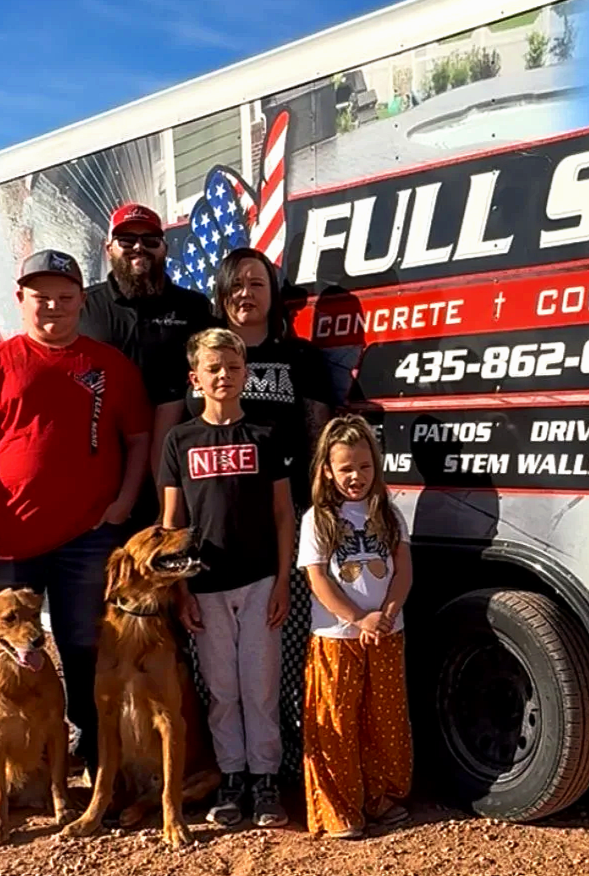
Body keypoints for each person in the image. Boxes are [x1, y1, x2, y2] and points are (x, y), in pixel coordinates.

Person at [0, 250, 151, 816]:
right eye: (41, 297)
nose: (53, 307)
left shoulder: (108, 366)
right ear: (20, 299)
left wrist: (122, 503)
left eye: (65, 297)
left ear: (81, 301)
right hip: (8, 539)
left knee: (85, 649)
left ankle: (97, 759)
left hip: (88, 537)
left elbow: (139, 438)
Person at [185, 246, 335, 784]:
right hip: (218, 527)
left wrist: (318, 507)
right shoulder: (203, 359)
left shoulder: (300, 358)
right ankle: (229, 767)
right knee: (221, 666)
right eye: (236, 284)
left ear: (273, 293)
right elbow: (181, 438)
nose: (246, 293)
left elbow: (319, 432)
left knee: (280, 647)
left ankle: (283, 763)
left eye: (257, 283)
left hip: (283, 515)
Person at [159, 327, 294, 829]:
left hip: (260, 581)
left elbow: (284, 514)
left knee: (260, 686)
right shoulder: (180, 439)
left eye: (233, 368)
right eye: (213, 368)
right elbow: (171, 523)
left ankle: (266, 779)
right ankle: (231, 777)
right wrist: (180, 588)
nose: (224, 376)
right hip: (205, 584)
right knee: (222, 689)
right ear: (195, 377)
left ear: (245, 374)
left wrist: (283, 581)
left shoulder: (266, 433)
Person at [297, 414, 414, 839]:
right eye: (346, 468)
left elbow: (403, 571)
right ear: (328, 470)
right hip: (337, 637)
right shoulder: (317, 518)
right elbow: (318, 579)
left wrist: (385, 615)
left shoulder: (389, 513)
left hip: (385, 634)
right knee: (336, 723)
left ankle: (380, 796)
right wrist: (357, 618)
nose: (356, 477)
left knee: (384, 720)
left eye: (365, 467)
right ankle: (339, 809)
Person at [80, 203, 214, 532]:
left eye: (151, 240)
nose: (139, 247)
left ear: (164, 248)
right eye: (127, 240)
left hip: (172, 472)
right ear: (109, 248)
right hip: (101, 475)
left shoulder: (194, 307)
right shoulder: (83, 306)